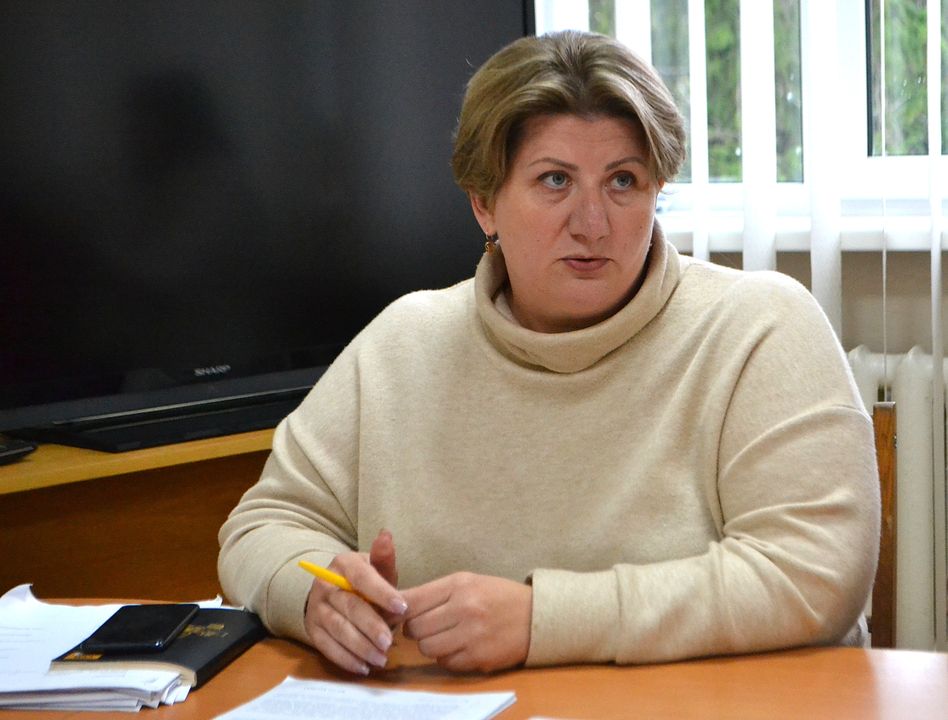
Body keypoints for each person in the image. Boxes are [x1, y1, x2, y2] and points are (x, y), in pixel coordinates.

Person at [218, 30, 880, 676]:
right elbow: (263, 525)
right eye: (556, 180)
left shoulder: (759, 328)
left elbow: (814, 574)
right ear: (484, 204)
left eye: (623, 181)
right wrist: (313, 593)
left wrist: (542, 620)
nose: (592, 224)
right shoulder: (404, 342)